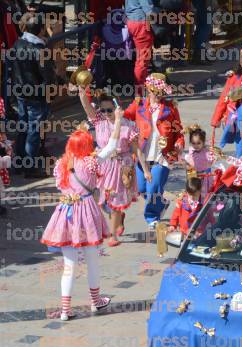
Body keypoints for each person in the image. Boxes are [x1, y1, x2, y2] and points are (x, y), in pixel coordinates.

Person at [40, 118, 124, 321]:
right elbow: (112, 145)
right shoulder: (90, 162)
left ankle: (65, 310)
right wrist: (119, 120)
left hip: (65, 212)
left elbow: (60, 186)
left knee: (69, 264)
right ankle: (95, 302)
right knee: (92, 260)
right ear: (87, 145)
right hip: (86, 212)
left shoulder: (61, 164)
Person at [79, 89, 151, 246]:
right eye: (103, 110)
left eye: (109, 110)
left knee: (115, 201)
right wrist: (82, 92)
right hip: (102, 165)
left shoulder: (127, 126)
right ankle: (118, 218)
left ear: (117, 108)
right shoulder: (99, 121)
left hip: (120, 167)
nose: (106, 113)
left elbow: (137, 150)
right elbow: (86, 107)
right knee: (100, 199)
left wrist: (145, 170)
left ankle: (112, 236)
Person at [124, 73, 184, 229]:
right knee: (142, 189)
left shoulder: (170, 108)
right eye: (155, 91)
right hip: (142, 156)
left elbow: (178, 131)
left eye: (161, 92)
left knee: (153, 189)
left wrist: (179, 144)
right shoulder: (139, 105)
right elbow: (123, 118)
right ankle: (161, 204)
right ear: (148, 90)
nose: (158, 95)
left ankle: (152, 217)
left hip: (163, 156)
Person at [11, 12, 55, 178]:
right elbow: (48, 76)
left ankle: (18, 164)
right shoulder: (39, 49)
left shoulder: (17, 44)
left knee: (23, 127)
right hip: (36, 96)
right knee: (33, 131)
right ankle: (30, 167)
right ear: (41, 29)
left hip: (21, 93)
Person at [125, 0, 157, 92]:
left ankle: (141, 88)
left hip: (132, 21)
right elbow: (149, 10)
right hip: (141, 23)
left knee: (141, 59)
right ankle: (139, 93)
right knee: (142, 60)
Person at [184, 125, 214, 201]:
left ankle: (206, 211)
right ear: (190, 143)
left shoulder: (207, 152)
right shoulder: (191, 151)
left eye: (198, 143)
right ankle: (193, 210)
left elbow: (211, 163)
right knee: (192, 196)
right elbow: (188, 164)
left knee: (205, 197)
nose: (196, 145)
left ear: (203, 142)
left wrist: (213, 156)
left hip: (205, 177)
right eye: (193, 143)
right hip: (193, 176)